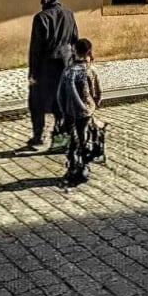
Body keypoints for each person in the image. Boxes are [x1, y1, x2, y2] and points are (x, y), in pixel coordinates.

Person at [25, 0, 78, 150]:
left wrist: (33, 72)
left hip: (47, 67)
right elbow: (75, 39)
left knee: (37, 102)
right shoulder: (69, 14)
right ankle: (61, 140)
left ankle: (38, 136)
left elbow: (36, 48)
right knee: (61, 105)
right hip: (66, 64)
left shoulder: (41, 17)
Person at [57, 37, 103, 187]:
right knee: (83, 136)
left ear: (74, 51)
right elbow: (97, 91)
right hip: (85, 111)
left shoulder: (68, 71)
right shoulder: (90, 70)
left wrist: (63, 109)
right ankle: (83, 164)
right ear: (89, 51)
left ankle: (73, 165)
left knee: (71, 138)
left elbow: (60, 94)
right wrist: (95, 104)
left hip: (70, 111)